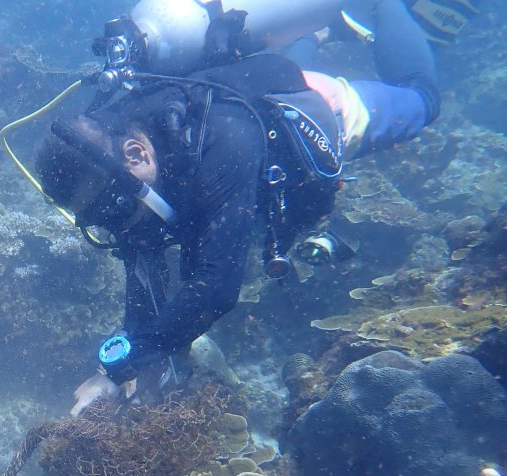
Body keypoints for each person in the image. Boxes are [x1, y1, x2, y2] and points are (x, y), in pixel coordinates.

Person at [34, 0, 440, 415]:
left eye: (113, 209)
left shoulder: (224, 145)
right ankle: (319, 30)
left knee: (422, 98)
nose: (117, 226)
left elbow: (216, 288)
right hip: (250, 85)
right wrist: (126, 360)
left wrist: (120, 366)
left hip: (319, 107)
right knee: (288, 64)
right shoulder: (117, 160)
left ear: (137, 154)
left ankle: (386, 5)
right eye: (98, 217)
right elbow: (141, 262)